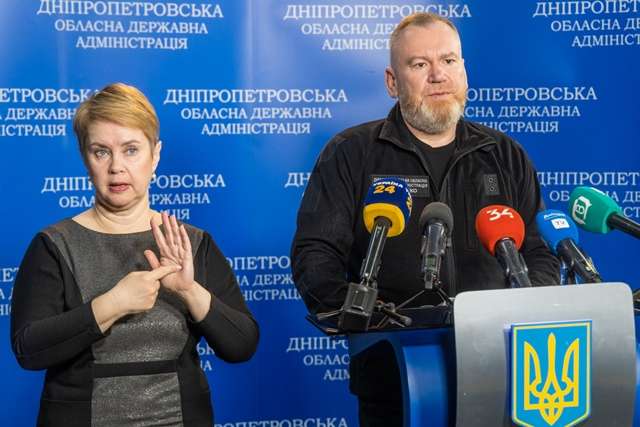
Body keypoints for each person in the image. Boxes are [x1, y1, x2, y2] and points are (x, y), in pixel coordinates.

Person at [290, 12, 559, 426]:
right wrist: (370, 316)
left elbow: (538, 252)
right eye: (419, 64)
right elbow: (315, 256)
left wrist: (524, 309)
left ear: (464, 71)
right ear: (392, 82)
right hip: (393, 378)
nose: (438, 75)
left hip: (504, 370)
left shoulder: (505, 155)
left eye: (448, 61)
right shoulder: (351, 153)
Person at [10, 83, 259, 426]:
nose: (116, 167)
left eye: (131, 150)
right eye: (101, 151)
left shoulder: (190, 243)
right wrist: (113, 304)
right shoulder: (53, 245)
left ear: (155, 155)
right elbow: (29, 350)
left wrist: (189, 291)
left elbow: (241, 346)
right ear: (85, 157)